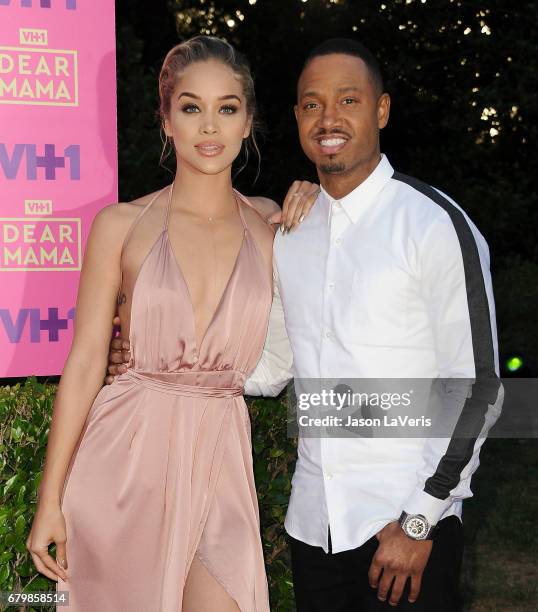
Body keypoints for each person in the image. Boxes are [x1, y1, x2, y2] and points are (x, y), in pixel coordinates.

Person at [110, 38, 505, 610]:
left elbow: (479, 387)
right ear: (296, 116)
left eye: (349, 99)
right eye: (312, 103)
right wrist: (157, 364)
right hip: (313, 527)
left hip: (404, 527)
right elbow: (270, 364)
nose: (329, 118)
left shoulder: (433, 224)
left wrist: (421, 520)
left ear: (382, 110)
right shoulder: (293, 232)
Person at [25, 36, 318, 612]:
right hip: (124, 459)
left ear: (248, 122)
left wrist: (316, 197)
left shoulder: (275, 226)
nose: (209, 126)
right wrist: (49, 499)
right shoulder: (121, 224)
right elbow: (85, 362)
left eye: (226, 108)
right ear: (166, 121)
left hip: (221, 454)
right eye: (191, 107)